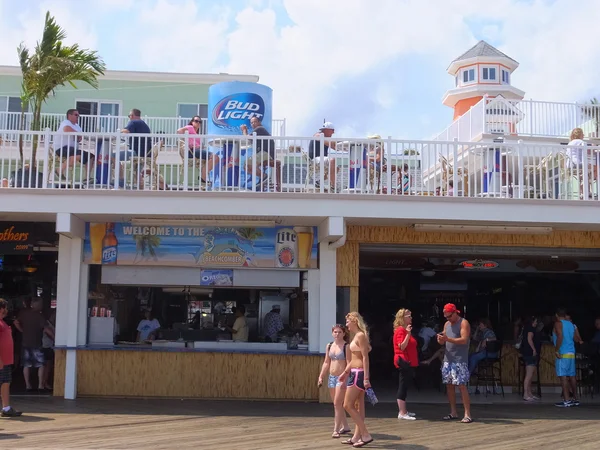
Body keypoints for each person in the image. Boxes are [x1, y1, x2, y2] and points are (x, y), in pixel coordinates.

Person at [338, 312, 373, 448]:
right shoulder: (357, 336)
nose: (346, 324)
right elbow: (354, 359)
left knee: (347, 405)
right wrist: (346, 372)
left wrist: (366, 378)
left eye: (348, 322)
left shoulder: (360, 336)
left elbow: (365, 357)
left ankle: (365, 434)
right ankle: (356, 436)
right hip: (354, 372)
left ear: (354, 321)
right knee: (358, 406)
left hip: (359, 374)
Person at [437, 303, 472, 423]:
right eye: (446, 317)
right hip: (448, 359)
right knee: (449, 386)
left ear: (455, 312)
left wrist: (447, 339)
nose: (448, 319)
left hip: (460, 360)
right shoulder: (447, 324)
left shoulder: (463, 323)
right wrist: (441, 340)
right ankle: (453, 412)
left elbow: (464, 340)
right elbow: (444, 340)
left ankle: (467, 414)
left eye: (449, 316)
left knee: (462, 386)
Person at [317, 324, 350, 438]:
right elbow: (327, 362)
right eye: (335, 332)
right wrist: (321, 376)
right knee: (337, 404)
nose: (337, 334)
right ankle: (345, 426)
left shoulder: (346, 346)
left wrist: (345, 375)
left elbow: (350, 363)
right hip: (332, 376)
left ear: (344, 334)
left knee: (337, 403)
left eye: (340, 332)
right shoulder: (329, 345)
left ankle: (336, 429)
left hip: (342, 377)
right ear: (332, 333)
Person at [14, 298, 49, 392]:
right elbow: (46, 329)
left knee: (26, 365)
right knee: (41, 364)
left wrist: (22, 330)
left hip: (25, 342)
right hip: (37, 343)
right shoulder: (40, 316)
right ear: (37, 305)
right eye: (40, 304)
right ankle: (40, 385)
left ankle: (27, 385)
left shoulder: (24, 313)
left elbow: (15, 322)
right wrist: (54, 337)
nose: (41, 306)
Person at [177, 115, 219, 184]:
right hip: (192, 152)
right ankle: (203, 175)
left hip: (197, 151)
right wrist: (188, 143)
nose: (198, 123)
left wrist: (199, 146)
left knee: (215, 158)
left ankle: (203, 175)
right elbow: (179, 131)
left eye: (200, 122)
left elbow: (200, 146)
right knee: (215, 157)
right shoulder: (190, 127)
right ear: (192, 122)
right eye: (196, 121)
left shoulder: (196, 134)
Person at [241, 117, 280, 191]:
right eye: (251, 123)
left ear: (259, 122)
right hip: (263, 153)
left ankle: (264, 177)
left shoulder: (260, 129)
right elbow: (249, 140)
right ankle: (263, 177)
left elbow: (248, 138)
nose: (253, 124)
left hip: (267, 153)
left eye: (254, 122)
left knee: (248, 163)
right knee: (246, 166)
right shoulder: (256, 132)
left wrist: (244, 130)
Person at [393, 308, 418, 421]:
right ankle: (402, 412)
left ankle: (404, 410)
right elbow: (401, 346)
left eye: (411, 316)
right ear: (402, 318)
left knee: (406, 385)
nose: (411, 318)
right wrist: (408, 333)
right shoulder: (400, 330)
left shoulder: (404, 330)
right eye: (408, 316)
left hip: (408, 361)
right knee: (403, 385)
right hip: (403, 361)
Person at [54, 109, 94, 175]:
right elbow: (66, 129)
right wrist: (77, 134)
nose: (77, 117)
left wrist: (78, 136)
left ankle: (87, 178)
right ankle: (59, 170)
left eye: (78, 115)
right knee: (77, 155)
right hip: (61, 148)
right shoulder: (65, 122)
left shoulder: (77, 126)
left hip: (73, 149)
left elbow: (79, 138)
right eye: (76, 115)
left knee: (91, 156)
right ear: (69, 115)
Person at [553, 308, 579, 407]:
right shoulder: (571, 324)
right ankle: (575, 399)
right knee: (572, 376)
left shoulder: (558, 323)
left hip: (563, 353)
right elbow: (576, 338)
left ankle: (567, 400)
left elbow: (560, 336)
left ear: (556, 315)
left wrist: (556, 349)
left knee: (563, 377)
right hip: (571, 352)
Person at [0, 298, 21, 417]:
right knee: (4, 382)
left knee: (5, 382)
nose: (6, 310)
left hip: (6, 360)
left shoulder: (2, 322)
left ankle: (6, 407)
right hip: (2, 360)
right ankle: (6, 408)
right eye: (5, 308)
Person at [308, 122, 337, 191]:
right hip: (314, 159)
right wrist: (334, 144)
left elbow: (334, 146)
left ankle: (319, 182)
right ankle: (333, 187)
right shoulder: (318, 135)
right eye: (332, 131)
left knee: (336, 168)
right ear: (327, 130)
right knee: (332, 160)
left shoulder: (326, 138)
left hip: (321, 159)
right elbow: (330, 144)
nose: (333, 133)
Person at [520, 316, 542, 402]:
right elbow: (529, 339)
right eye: (535, 321)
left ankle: (529, 393)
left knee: (530, 374)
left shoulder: (526, 328)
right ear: (532, 322)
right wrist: (534, 349)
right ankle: (526, 394)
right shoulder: (530, 329)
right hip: (530, 353)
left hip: (527, 353)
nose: (536, 323)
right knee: (529, 374)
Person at [41, 310, 56, 391]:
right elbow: (50, 334)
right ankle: (44, 383)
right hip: (46, 347)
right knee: (47, 367)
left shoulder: (52, 324)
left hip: (49, 347)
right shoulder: (47, 324)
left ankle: (43, 383)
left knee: (47, 367)